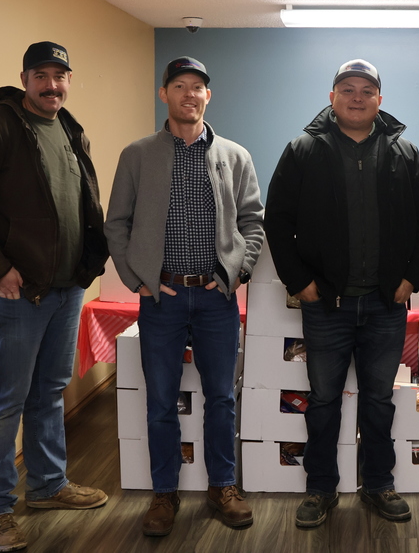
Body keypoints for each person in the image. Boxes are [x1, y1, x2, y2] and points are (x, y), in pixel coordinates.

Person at [0, 41, 110, 552]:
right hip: (15, 293)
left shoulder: (69, 129)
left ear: (68, 81)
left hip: (64, 289)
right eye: (41, 75)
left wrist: (87, 265)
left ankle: (48, 486)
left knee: (48, 392)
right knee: (5, 400)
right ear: (25, 78)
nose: (51, 85)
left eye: (60, 75)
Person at [264, 59, 419, 528]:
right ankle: (321, 488)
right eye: (348, 89)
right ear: (332, 97)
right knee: (323, 401)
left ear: (379, 100)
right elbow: (277, 221)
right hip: (327, 307)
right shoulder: (303, 150)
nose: (357, 97)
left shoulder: (404, 151)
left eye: (367, 90)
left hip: (385, 304)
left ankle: (379, 484)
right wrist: (300, 283)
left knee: (379, 401)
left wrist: (410, 279)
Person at [104, 57, 265, 537]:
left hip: (216, 297)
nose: (189, 94)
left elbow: (253, 223)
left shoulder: (235, 156)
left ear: (208, 97)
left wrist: (238, 271)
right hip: (162, 298)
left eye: (198, 87)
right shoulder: (138, 155)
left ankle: (222, 487)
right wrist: (137, 280)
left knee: (221, 397)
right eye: (180, 86)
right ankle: (163, 493)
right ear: (164, 94)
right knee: (160, 401)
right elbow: (117, 224)